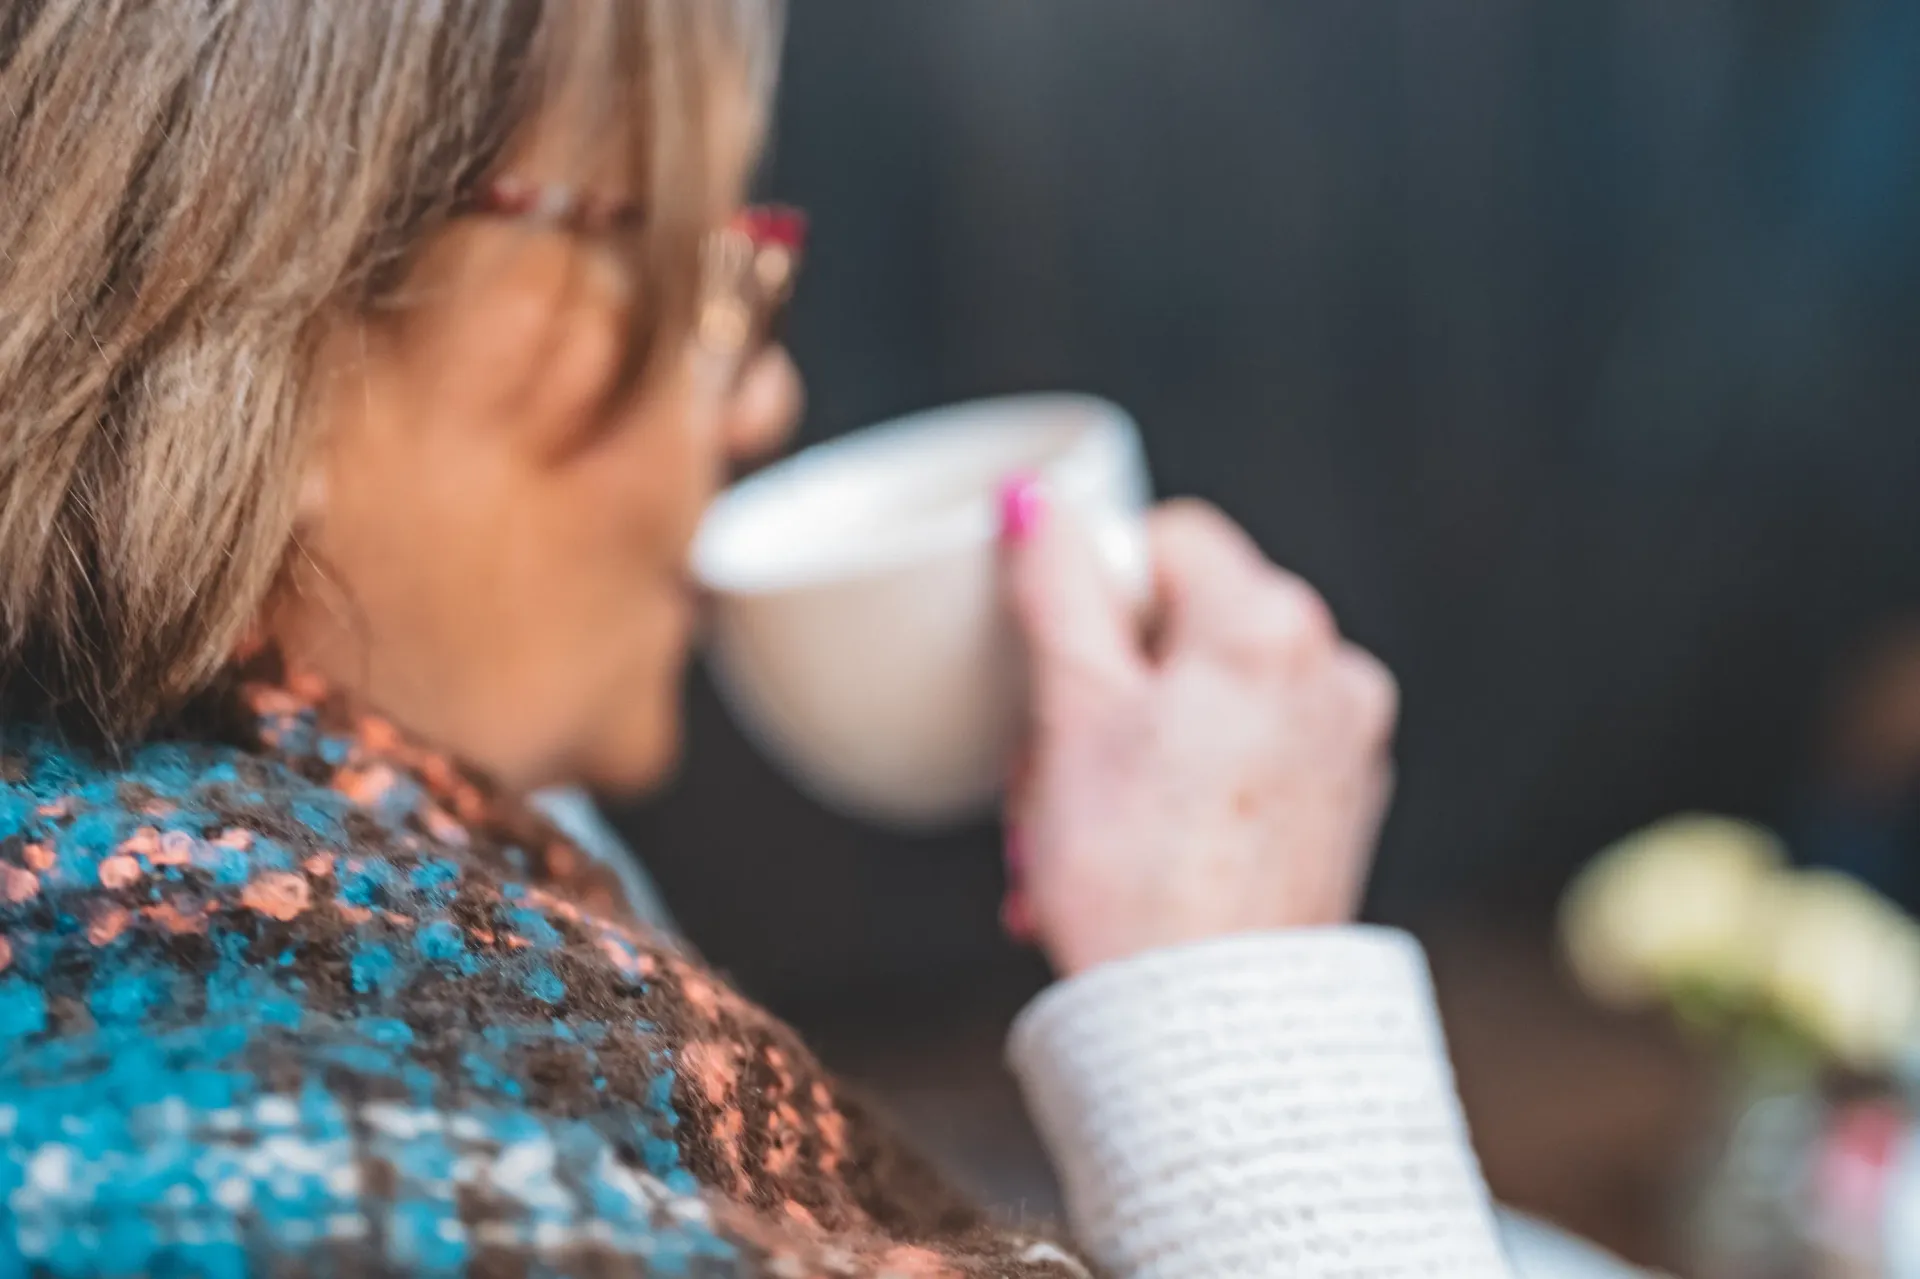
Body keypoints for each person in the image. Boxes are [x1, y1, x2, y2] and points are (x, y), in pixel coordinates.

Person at [0, 2, 1509, 1275]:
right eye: (682, 263)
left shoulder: (313, 902)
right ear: (282, 308)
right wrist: (1241, 1026)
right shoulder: (243, 1161)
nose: (761, 399)